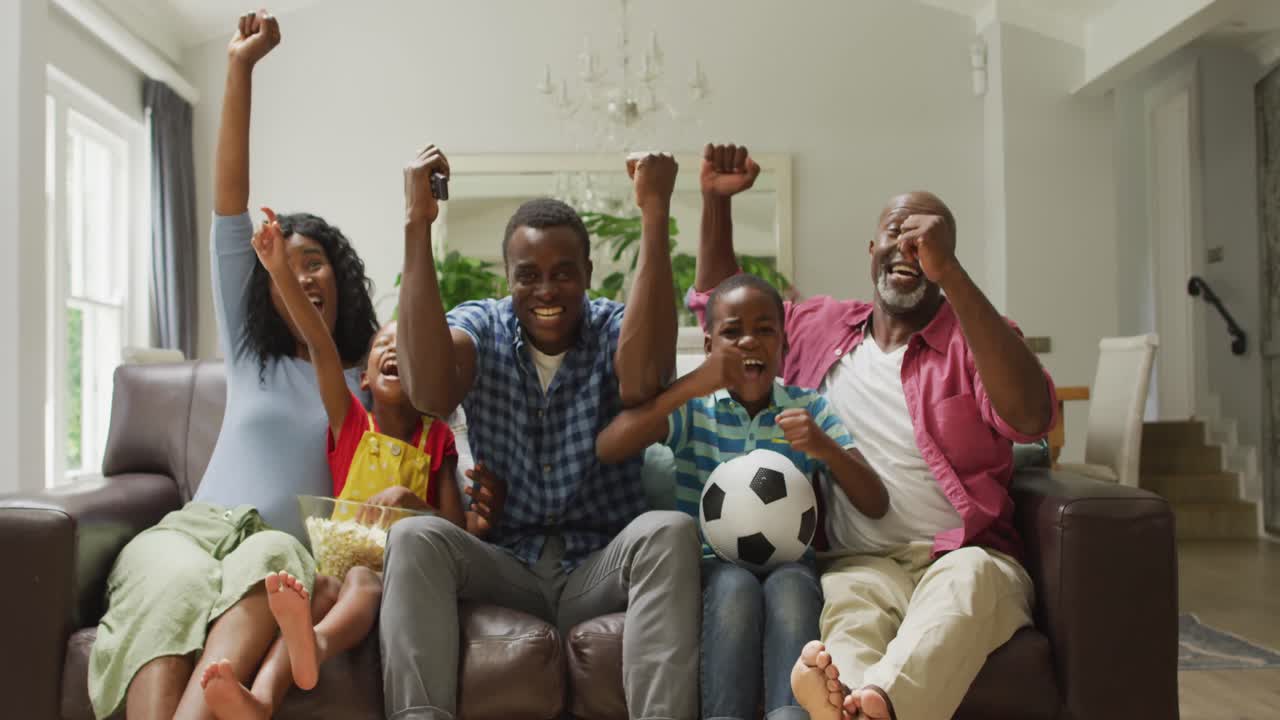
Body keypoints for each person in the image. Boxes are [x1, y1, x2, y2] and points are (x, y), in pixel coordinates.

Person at [690, 143, 1058, 720]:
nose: (909, 247)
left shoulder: (978, 338)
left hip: (963, 554)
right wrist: (715, 203)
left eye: (927, 240)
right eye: (896, 232)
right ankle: (857, 704)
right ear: (871, 250)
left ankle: (878, 705)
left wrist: (951, 274)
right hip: (858, 562)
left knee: (968, 589)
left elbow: (1031, 418)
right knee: (844, 628)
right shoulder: (819, 328)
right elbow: (718, 305)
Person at [87, 11, 380, 719]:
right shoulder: (250, 353)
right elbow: (228, 205)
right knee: (170, 583)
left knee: (271, 564)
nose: (305, 277)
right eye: (293, 263)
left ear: (340, 281)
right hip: (195, 529)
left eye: (318, 265)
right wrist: (239, 69)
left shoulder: (365, 386)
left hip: (280, 546)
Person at [382, 146, 701, 720]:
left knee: (669, 530)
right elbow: (428, 391)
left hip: (597, 564)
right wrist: (416, 224)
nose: (546, 290)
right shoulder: (481, 325)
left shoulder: (611, 327)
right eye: (528, 276)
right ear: (508, 278)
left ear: (587, 275)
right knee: (413, 539)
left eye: (563, 274)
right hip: (509, 564)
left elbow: (645, 383)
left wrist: (655, 212)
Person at [191, 206, 470, 719]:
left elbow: (457, 530)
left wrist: (411, 502)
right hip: (334, 565)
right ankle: (261, 698)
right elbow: (320, 342)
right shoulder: (350, 424)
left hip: (400, 573)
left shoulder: (438, 443)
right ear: (361, 377)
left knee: (362, 585)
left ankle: (315, 648)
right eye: (384, 345)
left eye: (407, 348)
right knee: (311, 591)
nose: (395, 350)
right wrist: (277, 270)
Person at [596, 273, 887, 720]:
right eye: (732, 332)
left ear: (784, 344)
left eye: (765, 330)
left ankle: (790, 714)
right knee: (734, 587)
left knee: (791, 586)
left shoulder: (808, 408)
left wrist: (823, 448)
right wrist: (693, 384)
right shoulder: (695, 409)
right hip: (715, 567)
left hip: (792, 561)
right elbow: (611, 445)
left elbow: (875, 502)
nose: (749, 341)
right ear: (710, 345)